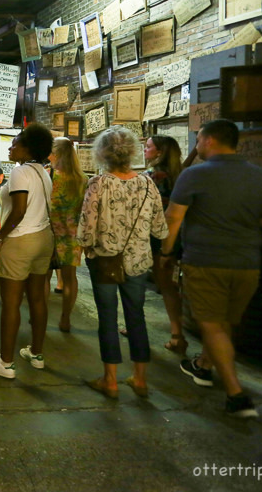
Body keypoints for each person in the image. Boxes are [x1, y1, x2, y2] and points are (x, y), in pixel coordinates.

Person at [162, 119, 262, 418]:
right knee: (225, 322)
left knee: (212, 324)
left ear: (210, 141)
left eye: (199, 140)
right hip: (247, 264)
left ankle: (236, 395)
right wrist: (239, 221)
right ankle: (204, 365)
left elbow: (173, 218)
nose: (197, 146)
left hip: (206, 261)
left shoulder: (194, 175)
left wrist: (166, 252)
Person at [78, 127, 167, 399]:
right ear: (132, 152)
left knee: (107, 318)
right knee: (136, 317)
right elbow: (160, 229)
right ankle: (140, 379)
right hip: (139, 262)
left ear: (102, 153)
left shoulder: (98, 184)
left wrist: (87, 245)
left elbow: (85, 231)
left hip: (106, 261)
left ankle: (110, 380)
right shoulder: (148, 183)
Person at [0, 124, 54, 379]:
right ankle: (36, 353)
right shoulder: (42, 172)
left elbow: (19, 211)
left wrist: (0, 234)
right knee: (37, 298)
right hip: (44, 238)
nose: (11, 147)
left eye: (15, 143)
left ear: (28, 148)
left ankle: (6, 363)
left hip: (21, 240)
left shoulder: (21, 172)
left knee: (10, 302)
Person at [143, 135, 188, 354]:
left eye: (149, 146)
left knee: (136, 283)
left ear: (159, 152)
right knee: (169, 286)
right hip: (173, 236)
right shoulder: (181, 174)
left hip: (150, 236)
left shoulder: (152, 176)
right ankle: (177, 334)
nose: (145, 148)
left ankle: (136, 327)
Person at [45, 137, 87, 333]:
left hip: (48, 232)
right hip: (72, 235)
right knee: (70, 279)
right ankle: (65, 319)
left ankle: (41, 316)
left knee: (43, 278)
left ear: (56, 154)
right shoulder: (82, 179)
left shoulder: (48, 175)